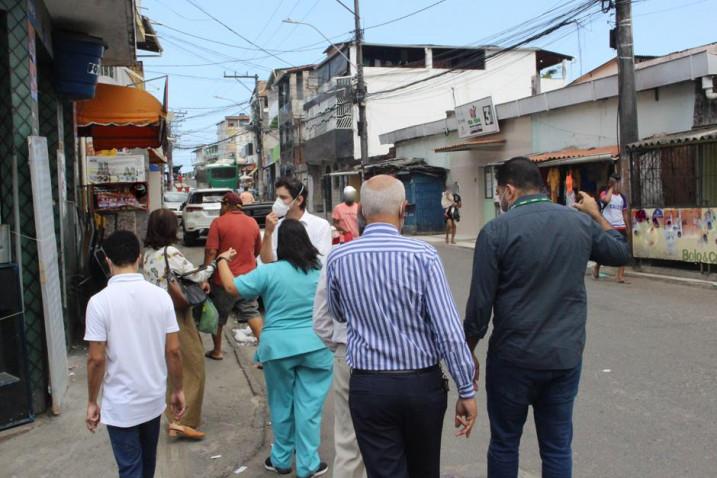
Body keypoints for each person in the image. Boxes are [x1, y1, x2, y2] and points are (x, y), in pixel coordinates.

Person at [464, 157, 630, 478]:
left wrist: (466, 352)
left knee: (504, 444)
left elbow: (479, 311)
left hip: (512, 360)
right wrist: (596, 213)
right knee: (556, 448)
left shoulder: (496, 232)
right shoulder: (579, 223)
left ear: (509, 191)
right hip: (563, 359)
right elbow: (620, 251)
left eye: (499, 193)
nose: (500, 199)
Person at [326, 175, 478, 478]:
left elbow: (338, 313)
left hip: (369, 388)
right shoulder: (423, 256)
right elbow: (448, 331)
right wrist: (466, 389)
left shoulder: (339, 258)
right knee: (424, 470)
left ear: (360, 212)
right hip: (421, 386)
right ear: (403, 209)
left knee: (383, 472)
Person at [216, 219, 332, 478]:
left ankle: (280, 459)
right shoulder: (320, 271)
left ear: (282, 245)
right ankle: (308, 465)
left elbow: (232, 287)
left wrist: (222, 261)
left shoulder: (269, 271)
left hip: (278, 348)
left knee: (281, 403)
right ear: (305, 242)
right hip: (316, 346)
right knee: (309, 407)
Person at [85, 230, 185, 477]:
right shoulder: (161, 297)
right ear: (139, 258)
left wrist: (92, 401)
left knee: (130, 468)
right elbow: (173, 351)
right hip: (152, 398)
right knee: (148, 463)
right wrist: (178, 390)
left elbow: (96, 359)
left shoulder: (98, 303)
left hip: (120, 405)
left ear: (107, 261)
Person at [143, 208, 216, 440]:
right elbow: (197, 275)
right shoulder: (170, 252)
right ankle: (183, 421)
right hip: (176, 314)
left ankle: (173, 415)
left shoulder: (148, 254)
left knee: (170, 368)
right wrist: (219, 262)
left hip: (155, 315)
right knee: (193, 365)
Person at [313, 268, 366, 478]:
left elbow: (320, 321)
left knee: (348, 442)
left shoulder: (338, 260)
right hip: (397, 366)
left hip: (348, 353)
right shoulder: (417, 255)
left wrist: (339, 349)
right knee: (388, 445)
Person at [204, 192, 262, 360]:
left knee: (219, 317)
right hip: (248, 279)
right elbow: (256, 250)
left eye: (222, 205)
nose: (221, 209)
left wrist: (205, 274)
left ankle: (217, 351)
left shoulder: (218, 223)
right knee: (252, 312)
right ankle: (266, 352)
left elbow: (211, 251)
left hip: (222, 281)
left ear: (227, 205)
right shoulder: (252, 223)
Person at [260, 176, 332, 265]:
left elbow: (320, 262)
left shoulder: (320, 226)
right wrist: (267, 233)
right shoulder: (276, 226)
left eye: (283, 197)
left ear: (299, 200)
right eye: (277, 197)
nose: (278, 202)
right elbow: (267, 261)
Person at [593, 175, 629, 283]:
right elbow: (606, 201)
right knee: (604, 250)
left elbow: (625, 213)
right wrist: (611, 188)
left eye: (619, 183)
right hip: (608, 227)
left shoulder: (622, 198)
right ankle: (597, 267)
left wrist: (627, 225)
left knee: (624, 251)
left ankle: (620, 276)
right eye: (617, 184)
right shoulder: (605, 193)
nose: (619, 186)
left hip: (620, 226)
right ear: (611, 184)